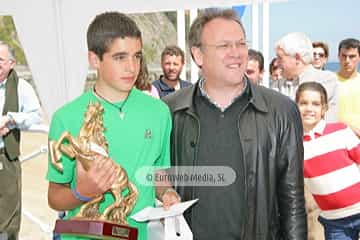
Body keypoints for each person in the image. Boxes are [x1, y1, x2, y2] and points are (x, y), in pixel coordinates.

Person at [163, 9, 306, 240]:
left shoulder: (281, 111)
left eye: (241, 44)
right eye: (224, 46)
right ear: (198, 55)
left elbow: (292, 200)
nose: (236, 53)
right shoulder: (169, 111)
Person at [46, 12, 179, 240]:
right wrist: (82, 192)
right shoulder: (65, 118)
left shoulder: (159, 112)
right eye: (120, 57)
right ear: (94, 59)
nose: (131, 67)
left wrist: (166, 192)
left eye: (137, 56)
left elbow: (156, 174)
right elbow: (54, 197)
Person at [296, 81, 360, 240]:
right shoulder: (294, 146)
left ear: (324, 109)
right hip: (334, 223)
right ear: (295, 106)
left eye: (316, 104)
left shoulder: (341, 131)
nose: (309, 108)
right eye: (303, 103)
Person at [0, 41, 42, 239]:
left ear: (11, 63)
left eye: (0, 60)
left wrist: (11, 118)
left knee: (8, 215)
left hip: (5, 158)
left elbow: (35, 116)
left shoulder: (22, 88)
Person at [275, 32, 338, 122]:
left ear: (297, 58)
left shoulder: (326, 79)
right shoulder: (277, 85)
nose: (277, 63)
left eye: (280, 58)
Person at [336, 38, 360, 137]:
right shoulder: (330, 81)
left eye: (352, 57)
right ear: (338, 56)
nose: (347, 61)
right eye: (344, 56)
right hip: (338, 138)